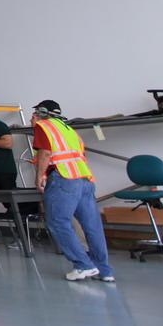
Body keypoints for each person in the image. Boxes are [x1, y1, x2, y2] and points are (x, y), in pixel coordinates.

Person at [31, 99, 114, 282]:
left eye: (34, 113)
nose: (32, 117)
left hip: (64, 180)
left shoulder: (43, 126)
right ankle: (104, 270)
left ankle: (84, 265)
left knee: (58, 222)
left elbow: (45, 153)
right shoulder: (68, 129)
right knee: (92, 226)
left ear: (41, 113)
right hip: (84, 179)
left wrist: (39, 177)